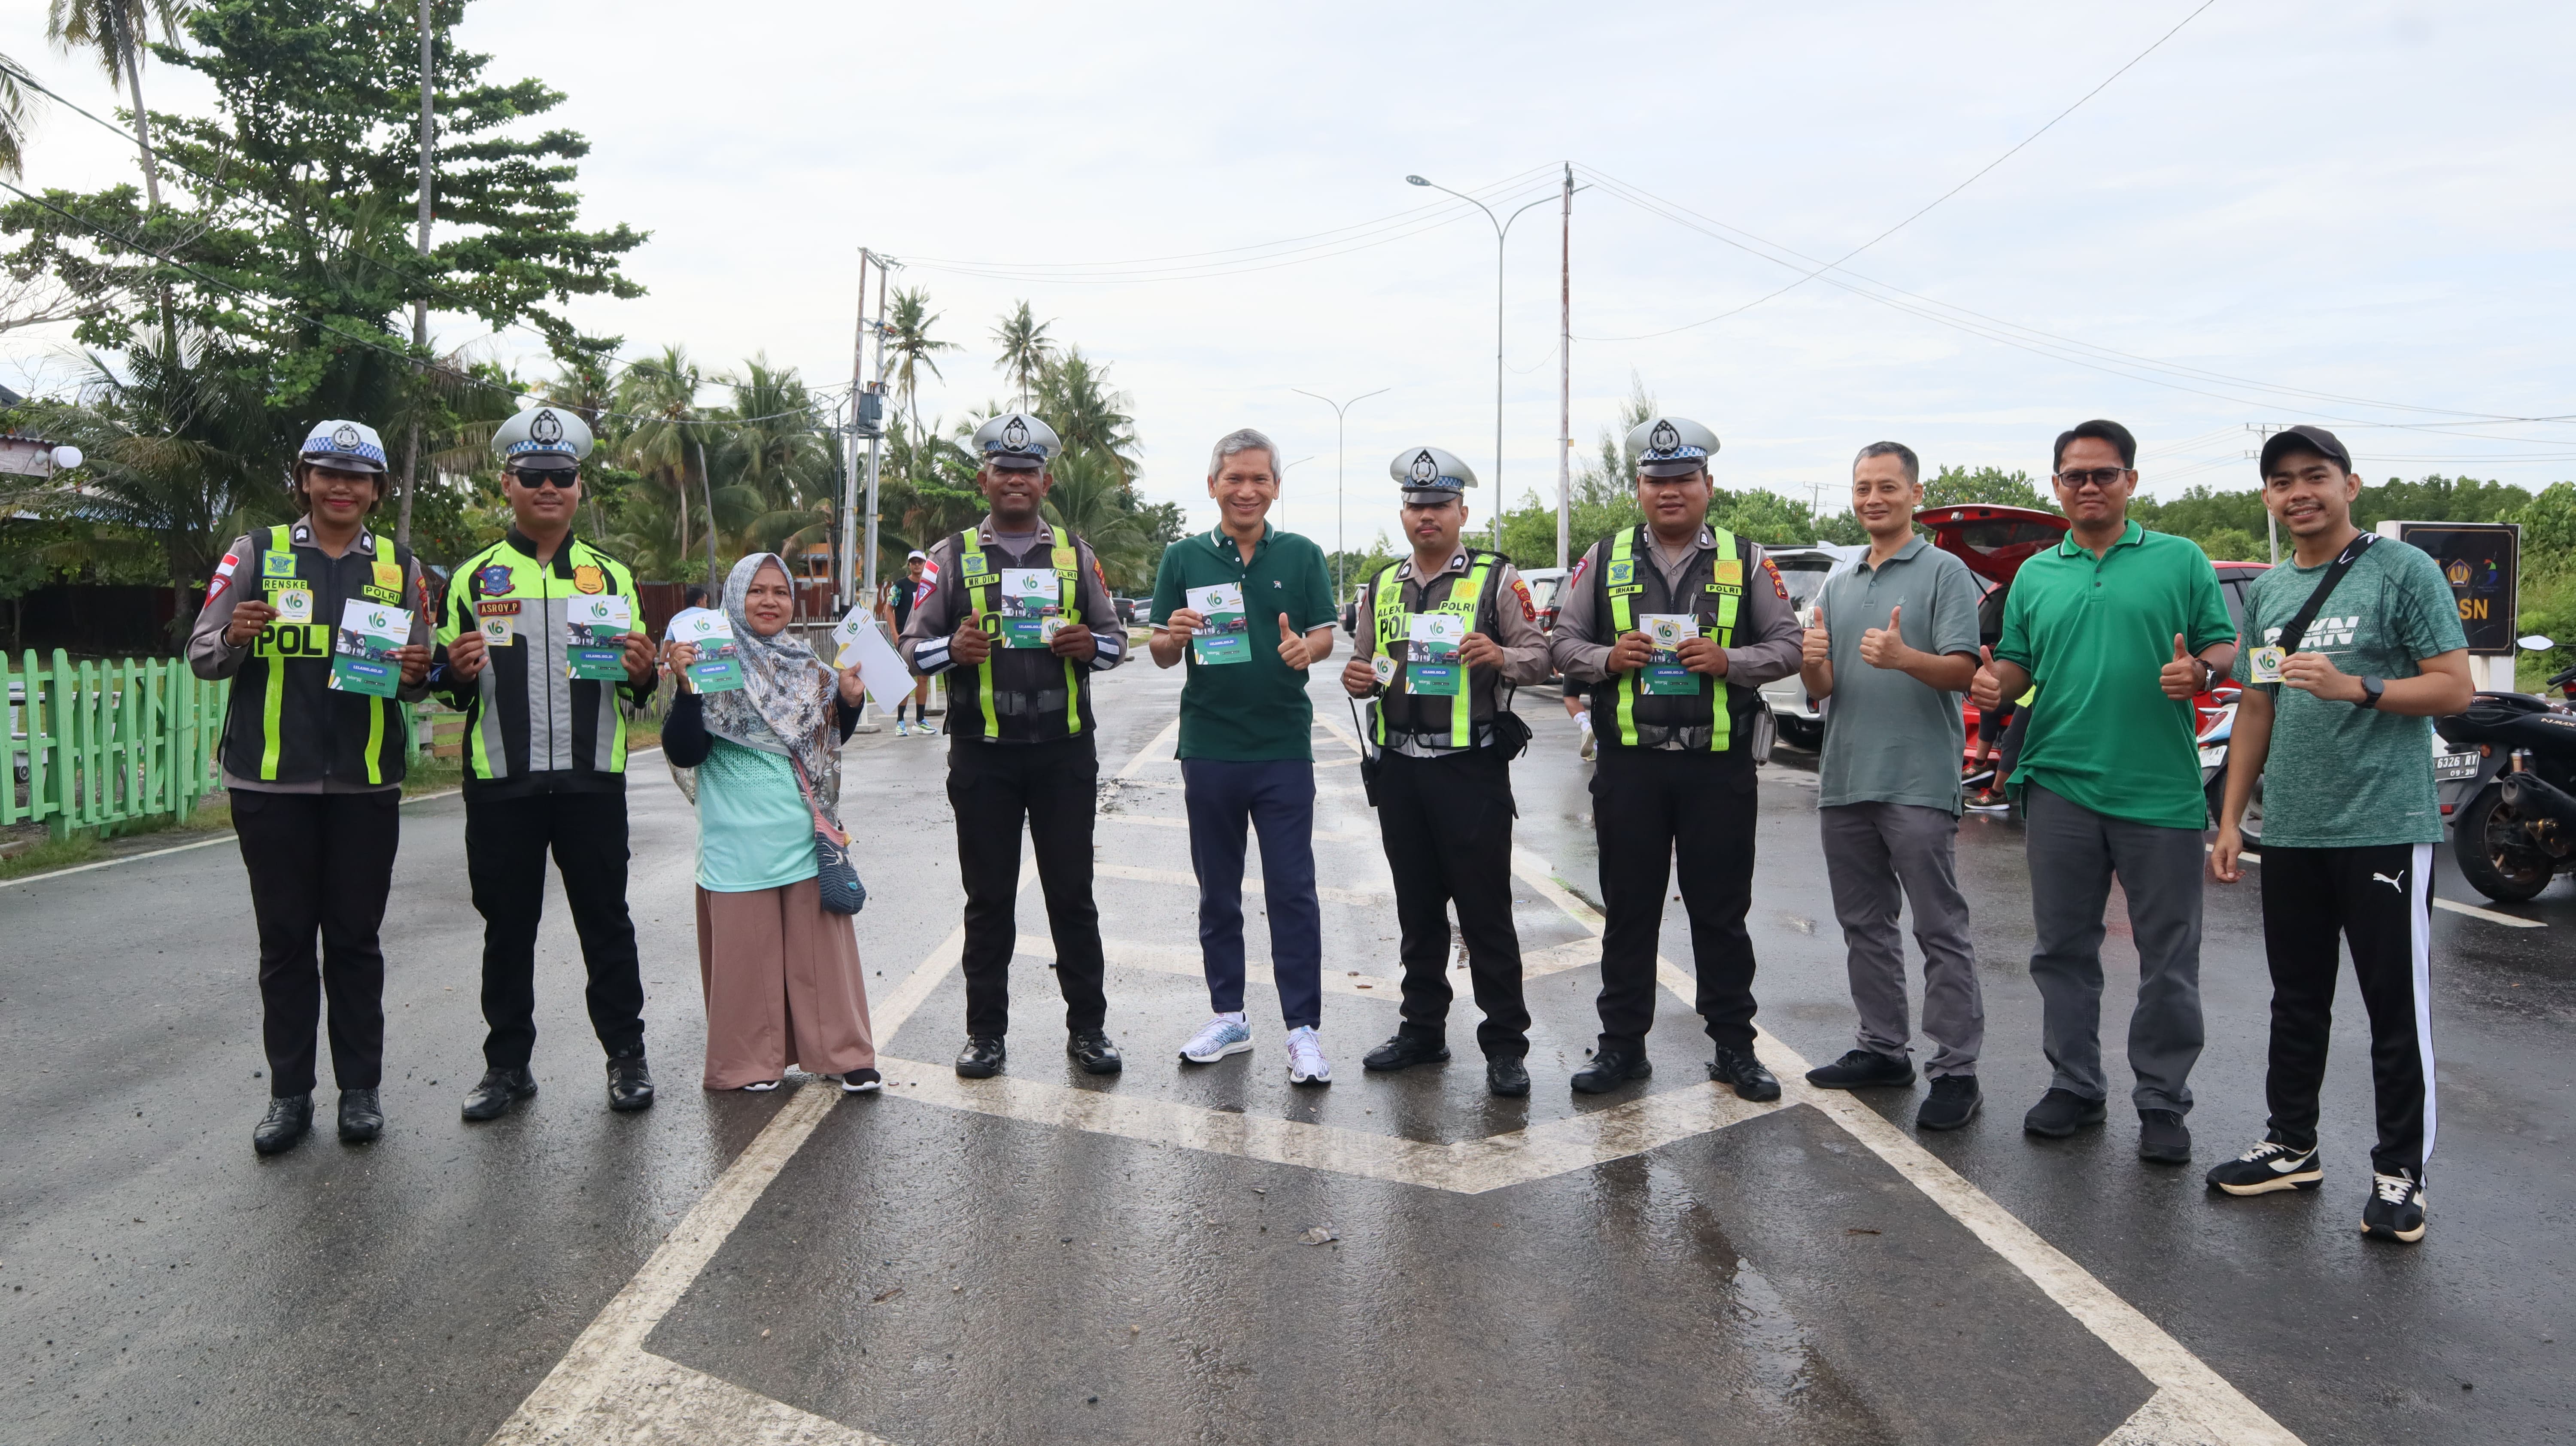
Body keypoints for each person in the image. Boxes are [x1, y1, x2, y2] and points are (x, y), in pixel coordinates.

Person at [2206, 425, 2470, 1243]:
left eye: (2314, 476)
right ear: (2267, 498)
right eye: (2282, 481)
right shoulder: (2275, 593)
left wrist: (2360, 686)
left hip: (2385, 825)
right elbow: (2257, 706)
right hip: (2291, 830)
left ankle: (2400, 1174)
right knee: (2298, 999)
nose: (2299, 493)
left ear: (2350, 484)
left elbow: (2455, 689)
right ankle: (2292, 1144)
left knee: (2395, 1007)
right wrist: (2230, 820)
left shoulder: (2404, 571)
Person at [1969, 419, 2236, 1163]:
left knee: (2169, 955)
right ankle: (2076, 1086)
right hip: (2059, 783)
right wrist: (1997, 680)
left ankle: (2161, 1101)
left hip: (2160, 789)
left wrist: (2204, 673)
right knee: (2062, 948)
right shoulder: (2036, 574)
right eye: (2075, 475)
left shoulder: (2179, 560)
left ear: (2131, 482)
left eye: (2105, 474)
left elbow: (2221, 640)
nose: (2090, 486)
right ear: (2055, 485)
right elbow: (2017, 662)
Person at [186, 419, 433, 1154]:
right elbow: (202, 653)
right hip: (269, 783)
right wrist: (236, 636)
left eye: (358, 477)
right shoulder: (255, 553)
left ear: (377, 490)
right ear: (303, 479)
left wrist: (421, 674)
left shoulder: (399, 565)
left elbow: (417, 674)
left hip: (364, 785)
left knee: (356, 941)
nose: (342, 487)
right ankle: (289, 1096)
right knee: (286, 943)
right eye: (327, 473)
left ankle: (361, 1092)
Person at [1548, 416, 1803, 1098]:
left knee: (1720, 914)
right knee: (1630, 912)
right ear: (1640, 488)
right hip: (1630, 769)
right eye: (1657, 481)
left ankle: (1733, 1048)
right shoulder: (1603, 559)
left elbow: (1788, 646)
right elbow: (1560, 644)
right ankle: (1622, 1048)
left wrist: (1731, 660)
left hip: (1716, 770)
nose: (1670, 492)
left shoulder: (1746, 560)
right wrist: (1608, 658)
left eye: (1683, 479)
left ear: (1707, 486)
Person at [434, 405, 661, 1121]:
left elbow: (640, 684)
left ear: (578, 487)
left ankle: (626, 1056)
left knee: (606, 921)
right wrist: (459, 671)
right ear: (508, 484)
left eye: (561, 476)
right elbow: (446, 682)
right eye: (533, 476)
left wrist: (644, 667)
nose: (547, 487)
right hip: (503, 781)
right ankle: (507, 1067)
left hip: (593, 780)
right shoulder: (473, 578)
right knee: (508, 927)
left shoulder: (610, 577)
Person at [898, 413, 1128, 1079]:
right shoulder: (951, 557)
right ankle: (985, 1035)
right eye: (1005, 469)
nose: (1017, 480)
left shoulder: (1075, 556)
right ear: (984, 479)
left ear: (1045, 481)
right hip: (983, 756)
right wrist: (954, 649)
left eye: (1028, 471)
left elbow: (1114, 641)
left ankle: (1088, 1030)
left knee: (1072, 896)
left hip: (1063, 755)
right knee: (989, 899)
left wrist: (1091, 646)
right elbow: (913, 647)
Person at [1337, 446, 1552, 1096]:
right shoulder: (1383, 584)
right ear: (1403, 512)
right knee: (1418, 911)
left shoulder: (1496, 578)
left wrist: (1500, 655)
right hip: (1400, 769)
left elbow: (1540, 656)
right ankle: (1422, 1030)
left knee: (1486, 913)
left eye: (1438, 506)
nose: (1425, 515)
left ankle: (1506, 1046)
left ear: (1462, 511)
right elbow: (1372, 668)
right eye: (1415, 505)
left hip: (1470, 772)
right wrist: (1359, 678)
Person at [1797, 441, 1987, 1130]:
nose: (1873, 499)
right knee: (1864, 926)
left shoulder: (1945, 571)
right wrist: (1812, 662)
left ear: (1914, 493)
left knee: (1940, 927)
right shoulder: (1839, 581)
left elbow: (1967, 671)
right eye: (1862, 488)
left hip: (1917, 779)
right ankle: (1882, 1047)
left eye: (1887, 487)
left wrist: (1908, 658)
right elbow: (1822, 690)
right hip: (1845, 778)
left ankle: (1957, 1069)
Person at [1151, 428, 1340, 1084]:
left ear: (1276, 488)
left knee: (1293, 891)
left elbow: (1322, 636)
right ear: (1213, 486)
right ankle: (1228, 1015)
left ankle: (1303, 1030)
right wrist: (1171, 636)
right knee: (1218, 893)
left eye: (1260, 479)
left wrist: (1305, 651)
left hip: (1284, 748)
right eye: (1235, 478)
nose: (1247, 490)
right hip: (1209, 747)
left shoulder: (1304, 554)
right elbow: (1160, 649)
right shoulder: (1182, 558)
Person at [664, 554, 882, 1093]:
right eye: (756, 591)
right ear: (735, 597)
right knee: (747, 960)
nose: (769, 601)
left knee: (821, 955)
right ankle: (747, 1062)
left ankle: (841, 1052)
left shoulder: (808, 664)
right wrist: (688, 689)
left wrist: (849, 703)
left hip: (801, 833)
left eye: (779, 592)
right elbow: (685, 750)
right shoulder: (712, 659)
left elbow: (825, 741)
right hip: (735, 839)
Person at [879, 550, 934, 735]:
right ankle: (900, 721)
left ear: (925, 564)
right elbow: (889, 609)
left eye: (920, 562)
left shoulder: (931, 586)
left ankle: (920, 720)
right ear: (909, 565)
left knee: (923, 678)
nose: (917, 565)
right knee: (905, 679)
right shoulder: (900, 586)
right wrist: (895, 634)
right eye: (914, 562)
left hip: (925, 635)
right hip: (906, 636)